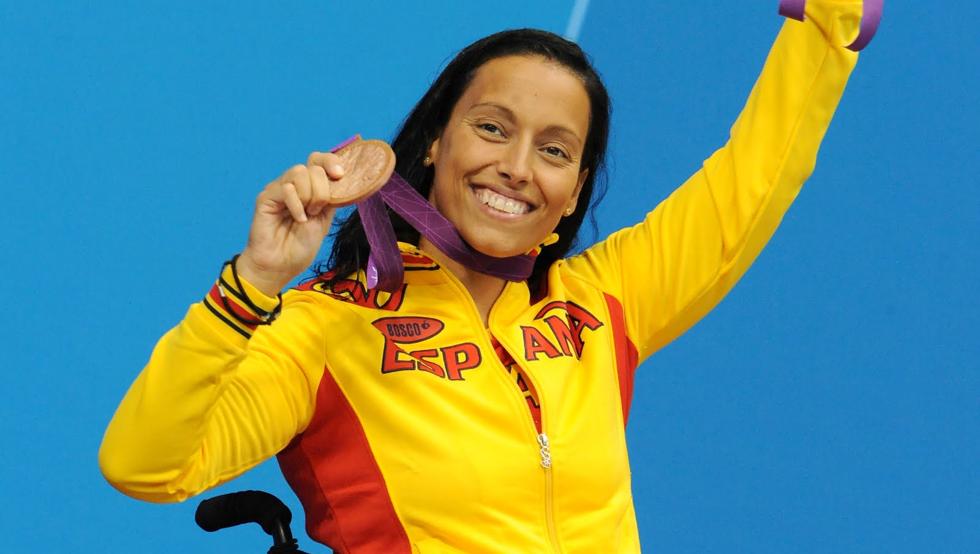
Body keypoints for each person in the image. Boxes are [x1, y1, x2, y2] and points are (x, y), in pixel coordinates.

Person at [100, 3, 867, 552]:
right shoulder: (326, 328)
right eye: (492, 127)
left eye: (555, 150)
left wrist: (826, 32)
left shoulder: (603, 300)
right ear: (435, 141)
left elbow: (749, 185)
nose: (517, 167)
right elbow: (144, 466)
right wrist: (252, 286)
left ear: (575, 187)